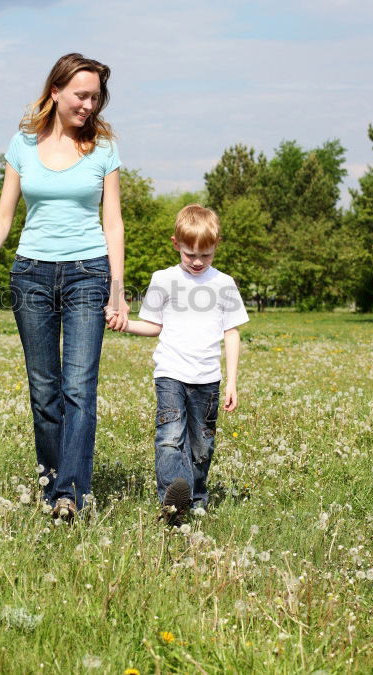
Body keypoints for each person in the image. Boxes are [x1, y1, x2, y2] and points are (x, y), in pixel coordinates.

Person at [0, 53, 128, 521]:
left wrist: (116, 286)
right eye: (81, 94)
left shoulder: (103, 149)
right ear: (55, 91)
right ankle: (53, 481)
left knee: (79, 385)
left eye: (96, 97)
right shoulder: (22, 144)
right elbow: (4, 212)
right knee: (44, 389)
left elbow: (112, 221)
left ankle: (69, 495)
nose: (89, 104)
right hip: (31, 274)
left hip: (87, 272)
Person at [106, 204, 248, 526]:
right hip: (170, 373)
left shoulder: (224, 284)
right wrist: (124, 324)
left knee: (202, 446)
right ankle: (173, 502)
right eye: (189, 255)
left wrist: (232, 382)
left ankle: (196, 497)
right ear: (175, 244)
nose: (197, 262)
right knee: (169, 437)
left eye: (206, 255)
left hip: (208, 380)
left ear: (216, 247)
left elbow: (232, 333)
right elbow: (153, 326)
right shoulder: (164, 279)